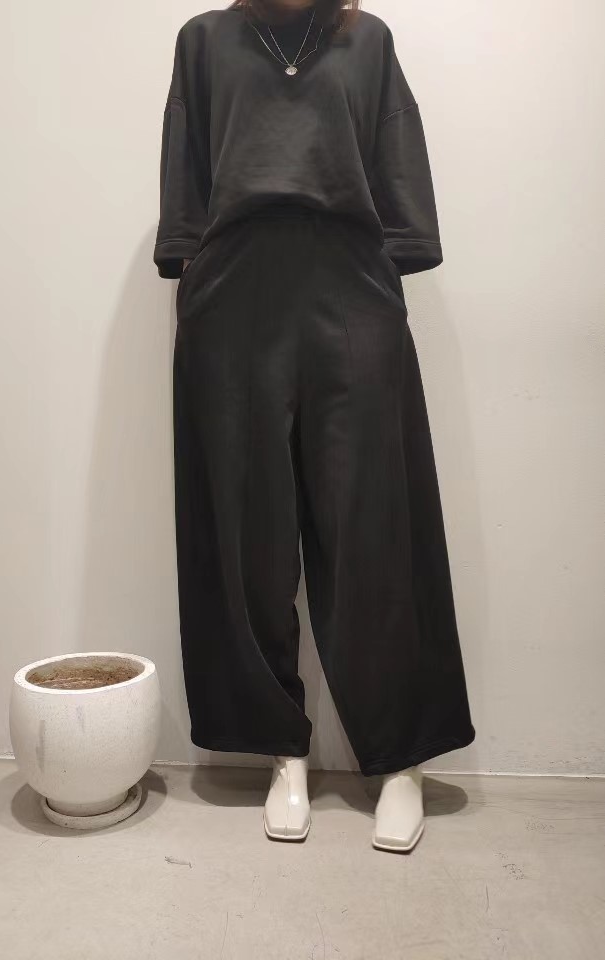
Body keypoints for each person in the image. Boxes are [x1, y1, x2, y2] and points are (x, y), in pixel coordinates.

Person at [153, 0, 476, 852]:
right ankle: (280, 753)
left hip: (348, 284)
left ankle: (398, 758)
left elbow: (395, 164)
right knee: (245, 530)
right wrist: (189, 260)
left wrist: (389, 260)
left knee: (373, 523)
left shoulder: (365, 40)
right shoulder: (205, 40)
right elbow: (187, 170)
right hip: (233, 288)